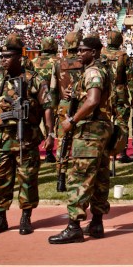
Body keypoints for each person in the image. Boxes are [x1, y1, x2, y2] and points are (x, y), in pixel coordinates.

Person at [0, 33, 54, 236]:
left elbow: (47, 106)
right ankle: (0, 219)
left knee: (27, 180)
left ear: (19, 57)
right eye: (1, 56)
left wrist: (50, 133)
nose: (2, 59)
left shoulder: (33, 79)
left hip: (25, 138)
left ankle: (25, 218)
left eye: (7, 56)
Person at [49, 35, 112, 244]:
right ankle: (97, 223)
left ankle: (74, 226)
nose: (78, 54)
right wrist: (73, 93)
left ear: (93, 52)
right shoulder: (100, 69)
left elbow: (93, 100)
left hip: (88, 133)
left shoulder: (93, 71)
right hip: (100, 131)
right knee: (100, 178)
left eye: (82, 50)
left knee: (80, 178)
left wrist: (72, 121)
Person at [52, 30, 84, 192]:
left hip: (64, 106)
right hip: (81, 107)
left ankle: (61, 178)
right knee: (80, 141)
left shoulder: (58, 64)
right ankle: (78, 176)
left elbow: (53, 89)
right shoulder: (85, 62)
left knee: (62, 143)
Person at [101, 29, 133, 164]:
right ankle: (122, 153)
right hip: (120, 94)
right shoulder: (124, 56)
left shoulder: (100, 55)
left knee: (103, 124)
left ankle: (104, 153)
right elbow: (131, 79)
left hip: (104, 94)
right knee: (122, 124)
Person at [31, 36, 60, 163]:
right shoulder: (58, 61)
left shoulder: (33, 62)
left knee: (34, 125)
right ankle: (49, 152)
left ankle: (36, 152)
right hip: (53, 98)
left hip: (36, 98)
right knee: (51, 126)